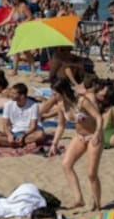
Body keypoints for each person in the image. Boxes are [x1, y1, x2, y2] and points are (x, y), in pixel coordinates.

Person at [41, 78, 104, 210]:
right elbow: (61, 125)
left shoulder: (82, 101)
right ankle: (78, 199)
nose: (53, 96)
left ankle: (97, 204)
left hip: (93, 136)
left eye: (55, 93)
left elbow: (98, 117)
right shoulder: (60, 105)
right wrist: (54, 144)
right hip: (79, 136)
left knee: (91, 173)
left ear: (63, 92)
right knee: (66, 164)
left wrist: (98, 133)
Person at [0, 83, 47, 148]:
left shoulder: (34, 105)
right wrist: (9, 135)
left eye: (14, 93)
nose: (11, 95)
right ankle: (20, 143)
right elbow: (5, 125)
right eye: (11, 93)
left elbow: (33, 126)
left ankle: (15, 143)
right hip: (14, 131)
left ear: (22, 96)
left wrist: (24, 135)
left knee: (40, 135)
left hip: (28, 133)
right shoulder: (8, 105)